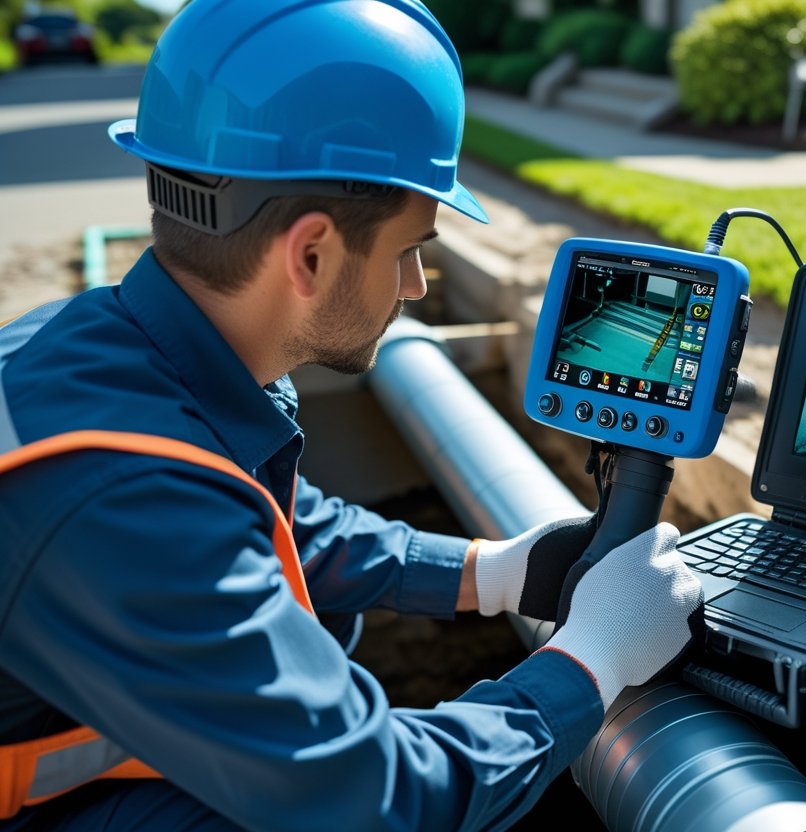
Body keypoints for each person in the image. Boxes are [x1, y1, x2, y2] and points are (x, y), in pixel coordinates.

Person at [0, 2, 703, 829]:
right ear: (310, 254)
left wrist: (494, 571)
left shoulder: (97, 346)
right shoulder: (117, 494)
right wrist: (592, 660)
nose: (414, 288)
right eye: (410, 249)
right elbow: (374, 800)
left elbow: (267, 525)